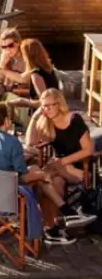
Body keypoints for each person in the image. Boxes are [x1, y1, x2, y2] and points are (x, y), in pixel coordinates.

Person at [0, 102, 77, 244]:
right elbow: (21, 172)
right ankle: (57, 219)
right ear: (6, 121)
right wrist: (42, 174)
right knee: (43, 179)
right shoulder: (12, 142)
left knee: (36, 170)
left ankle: (62, 213)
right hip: (5, 199)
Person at [25, 89, 96, 240]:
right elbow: (30, 142)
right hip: (60, 169)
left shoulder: (74, 120)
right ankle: (55, 226)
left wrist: (63, 163)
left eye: (51, 105)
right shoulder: (46, 121)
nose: (47, 109)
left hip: (80, 167)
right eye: (44, 106)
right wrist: (35, 117)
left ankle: (61, 216)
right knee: (52, 182)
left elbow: (89, 150)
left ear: (59, 104)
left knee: (40, 174)